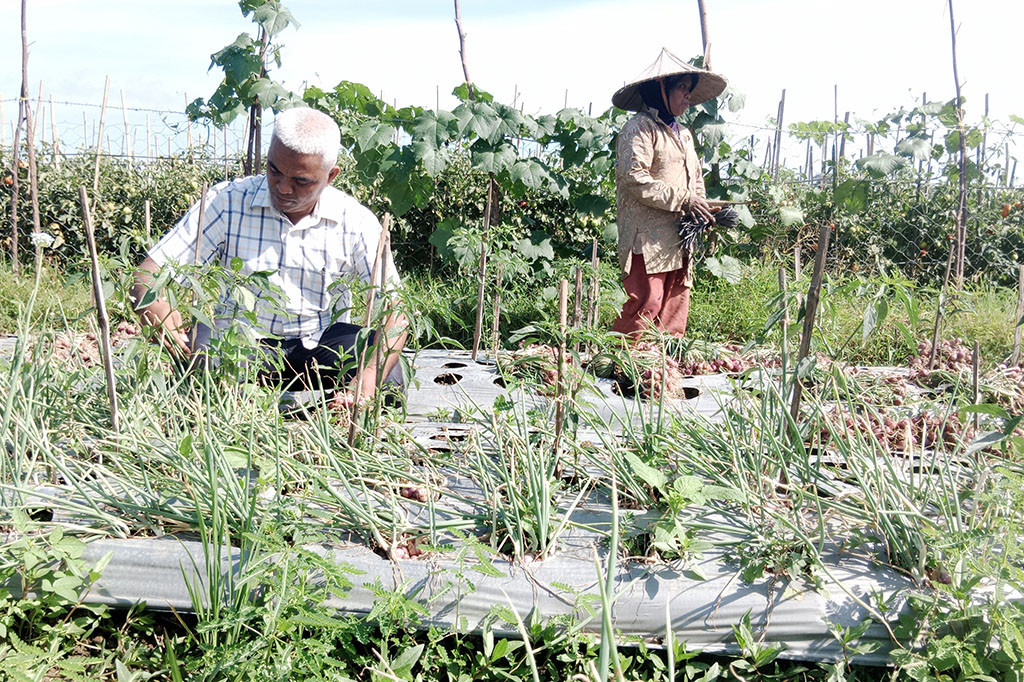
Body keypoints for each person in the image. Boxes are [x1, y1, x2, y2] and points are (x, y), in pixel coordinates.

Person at [130, 107, 407, 403]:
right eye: (274, 170)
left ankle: (337, 411)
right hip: (240, 347)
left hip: (317, 348)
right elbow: (148, 274)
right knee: (205, 360)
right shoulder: (226, 203)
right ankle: (230, 405)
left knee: (386, 375)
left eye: (301, 181)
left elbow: (397, 310)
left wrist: (364, 383)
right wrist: (157, 310)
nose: (283, 187)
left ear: (330, 176)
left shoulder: (355, 220)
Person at [610, 48, 727, 338]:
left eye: (690, 90)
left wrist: (701, 208)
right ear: (660, 89)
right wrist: (684, 200)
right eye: (682, 89)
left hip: (679, 232)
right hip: (648, 235)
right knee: (648, 300)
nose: (688, 96)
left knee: (676, 301)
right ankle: (625, 362)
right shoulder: (639, 129)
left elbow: (694, 178)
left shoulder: (684, 134)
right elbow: (634, 179)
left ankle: (664, 367)